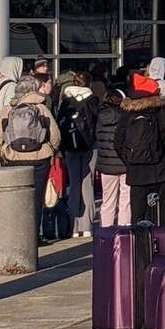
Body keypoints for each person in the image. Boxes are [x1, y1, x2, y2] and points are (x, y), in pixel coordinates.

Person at [0, 75, 63, 243]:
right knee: (36, 199)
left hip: (12, 159)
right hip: (39, 158)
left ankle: (15, 236)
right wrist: (51, 151)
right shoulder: (41, 109)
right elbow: (55, 135)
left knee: (14, 199)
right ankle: (33, 237)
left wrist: (3, 152)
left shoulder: (7, 110)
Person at [118, 73, 165, 228]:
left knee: (138, 212)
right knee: (163, 212)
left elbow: (118, 141)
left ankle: (140, 245)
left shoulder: (128, 113)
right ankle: (162, 243)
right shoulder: (161, 111)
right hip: (161, 169)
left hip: (137, 171)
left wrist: (129, 159)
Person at [55, 72, 99, 238]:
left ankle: (74, 227)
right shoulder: (93, 101)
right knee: (87, 184)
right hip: (90, 146)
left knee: (74, 185)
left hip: (70, 148)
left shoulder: (66, 102)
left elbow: (60, 125)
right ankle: (87, 226)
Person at [95, 88, 132, 228]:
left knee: (107, 200)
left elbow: (97, 137)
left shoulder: (100, 117)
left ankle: (105, 232)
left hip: (106, 164)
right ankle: (124, 230)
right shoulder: (125, 116)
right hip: (124, 163)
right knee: (125, 199)